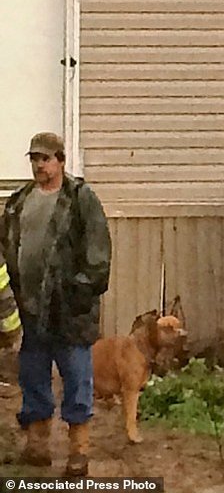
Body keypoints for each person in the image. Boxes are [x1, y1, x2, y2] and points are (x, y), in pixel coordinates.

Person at [0, 132, 111, 477]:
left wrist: (78, 293)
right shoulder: (19, 201)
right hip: (30, 309)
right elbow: (5, 250)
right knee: (33, 378)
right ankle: (37, 448)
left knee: (77, 380)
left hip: (69, 313)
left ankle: (79, 452)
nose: (38, 165)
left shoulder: (81, 199)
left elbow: (98, 255)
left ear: (61, 161)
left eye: (45, 159)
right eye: (34, 159)